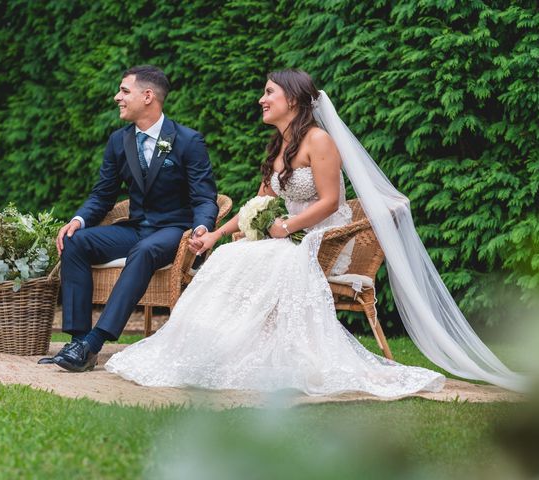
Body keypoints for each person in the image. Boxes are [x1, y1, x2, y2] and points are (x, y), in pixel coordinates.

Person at [104, 69, 447, 397]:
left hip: (322, 240)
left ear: (293, 100)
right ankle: (218, 353)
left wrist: (286, 227)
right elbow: (258, 203)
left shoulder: (319, 140)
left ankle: (239, 351)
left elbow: (329, 202)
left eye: (269, 93)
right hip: (289, 239)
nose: (261, 100)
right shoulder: (280, 146)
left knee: (256, 259)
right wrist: (214, 235)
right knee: (226, 255)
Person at [39, 65, 218, 372]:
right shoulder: (118, 141)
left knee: (145, 250)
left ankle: (95, 341)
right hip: (137, 228)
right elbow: (102, 195)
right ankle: (79, 342)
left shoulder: (188, 141)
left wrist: (202, 228)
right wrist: (79, 220)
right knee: (76, 242)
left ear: (148, 96)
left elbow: (204, 198)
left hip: (173, 230)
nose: (116, 98)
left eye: (124, 91)